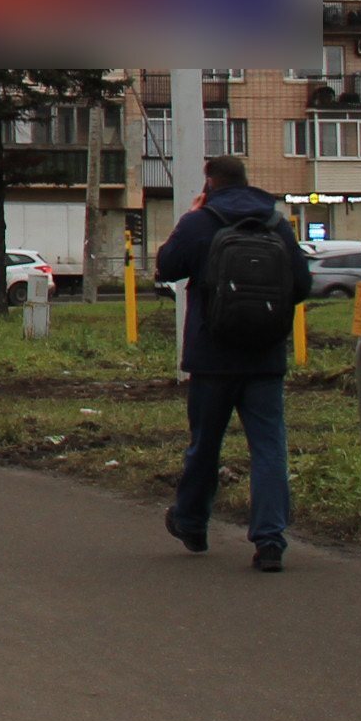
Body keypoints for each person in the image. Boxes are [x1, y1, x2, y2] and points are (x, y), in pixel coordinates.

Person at [153, 152, 310, 571]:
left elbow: (166, 267)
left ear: (210, 184)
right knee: (269, 447)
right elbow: (302, 283)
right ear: (245, 181)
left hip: (212, 356)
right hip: (265, 356)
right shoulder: (277, 223)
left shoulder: (200, 221)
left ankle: (192, 522)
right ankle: (270, 540)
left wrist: (189, 218)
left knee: (205, 444)